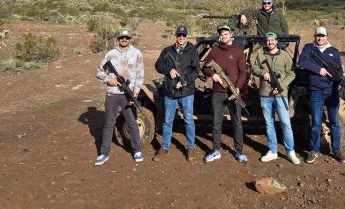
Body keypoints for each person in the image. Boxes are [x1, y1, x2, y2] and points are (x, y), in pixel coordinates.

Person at [297, 26, 345, 163]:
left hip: (331, 91)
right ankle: (314, 150)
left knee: (334, 122)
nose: (320, 38)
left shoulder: (334, 51)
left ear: (327, 37)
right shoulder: (309, 48)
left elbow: (339, 70)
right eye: (317, 36)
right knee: (315, 122)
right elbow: (302, 62)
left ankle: (336, 150)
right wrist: (318, 69)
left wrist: (340, 83)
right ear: (315, 36)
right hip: (316, 91)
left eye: (322, 36)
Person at [94, 29, 144, 166]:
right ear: (118, 39)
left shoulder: (137, 53)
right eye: (122, 37)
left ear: (130, 39)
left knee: (132, 123)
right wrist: (107, 79)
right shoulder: (111, 54)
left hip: (127, 95)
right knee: (109, 124)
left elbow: (140, 73)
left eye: (126, 37)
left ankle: (137, 150)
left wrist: (137, 89)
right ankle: (104, 153)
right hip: (112, 94)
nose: (124, 40)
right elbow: (99, 71)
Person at [251, 32, 300, 164]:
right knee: (269, 123)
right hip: (265, 94)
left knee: (285, 123)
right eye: (268, 40)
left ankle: (290, 152)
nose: (270, 43)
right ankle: (273, 151)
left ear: (276, 41)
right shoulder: (261, 54)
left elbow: (291, 73)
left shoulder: (285, 55)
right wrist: (263, 73)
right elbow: (254, 68)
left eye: (272, 40)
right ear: (266, 42)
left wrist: (281, 86)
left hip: (281, 95)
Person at [153, 25, 200, 161]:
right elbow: (158, 65)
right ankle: (164, 147)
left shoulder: (192, 51)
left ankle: (190, 148)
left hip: (186, 92)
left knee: (188, 120)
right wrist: (169, 70)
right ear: (176, 36)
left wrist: (184, 80)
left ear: (187, 36)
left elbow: (196, 70)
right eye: (179, 35)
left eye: (183, 35)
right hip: (170, 92)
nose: (181, 37)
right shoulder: (167, 50)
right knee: (167, 121)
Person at [202, 25, 248, 163]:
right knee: (216, 122)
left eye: (226, 34)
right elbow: (205, 67)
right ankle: (216, 150)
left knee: (237, 122)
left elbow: (243, 72)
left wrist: (238, 88)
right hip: (218, 92)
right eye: (221, 34)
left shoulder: (239, 51)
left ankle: (239, 151)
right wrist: (213, 74)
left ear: (231, 34)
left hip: (233, 92)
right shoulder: (215, 51)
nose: (223, 36)